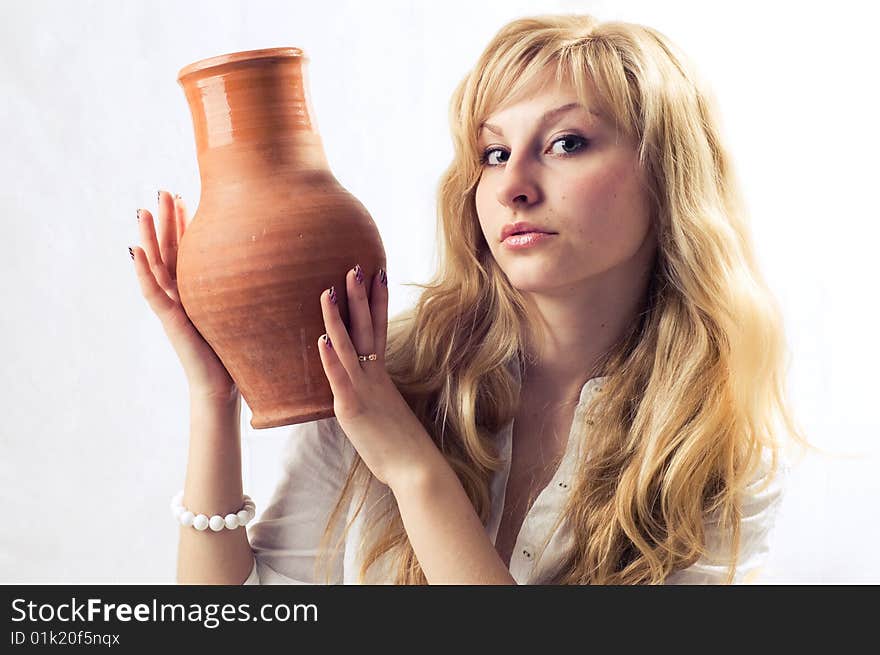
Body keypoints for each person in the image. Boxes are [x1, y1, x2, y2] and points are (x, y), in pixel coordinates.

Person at [131, 14, 809, 585]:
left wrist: (412, 468)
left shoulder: (718, 453)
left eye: (566, 143)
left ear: (667, 176)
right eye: (492, 153)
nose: (514, 184)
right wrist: (214, 397)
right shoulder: (382, 374)